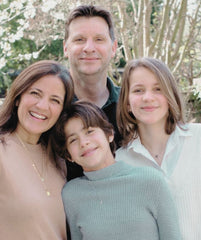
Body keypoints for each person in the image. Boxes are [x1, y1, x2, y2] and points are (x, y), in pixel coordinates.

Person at [52, 100, 181, 240]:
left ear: (109, 134)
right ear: (68, 155)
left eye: (89, 131)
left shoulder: (151, 181)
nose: (84, 143)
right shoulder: (71, 194)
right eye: (73, 140)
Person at [115, 57, 201, 240]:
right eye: (138, 90)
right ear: (127, 103)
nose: (148, 97)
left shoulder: (198, 138)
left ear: (170, 96)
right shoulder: (119, 162)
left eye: (158, 89)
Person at [0, 60, 74, 240]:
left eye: (55, 100)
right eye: (35, 93)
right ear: (18, 97)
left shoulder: (60, 159)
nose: (42, 106)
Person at [63, 5, 121, 179]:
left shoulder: (132, 106)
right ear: (66, 48)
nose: (89, 48)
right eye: (79, 39)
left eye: (99, 39)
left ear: (113, 48)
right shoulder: (50, 110)